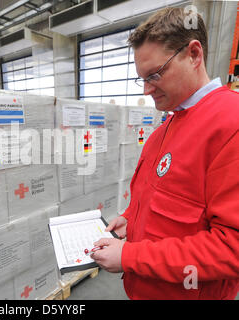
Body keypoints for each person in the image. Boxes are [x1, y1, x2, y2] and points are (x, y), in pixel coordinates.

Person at [91, 7, 239, 299]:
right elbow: (167, 206)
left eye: (155, 75)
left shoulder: (230, 125)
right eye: (141, 78)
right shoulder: (164, 129)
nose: (146, 90)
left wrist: (131, 257)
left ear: (194, 55)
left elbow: (231, 248)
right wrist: (131, 222)